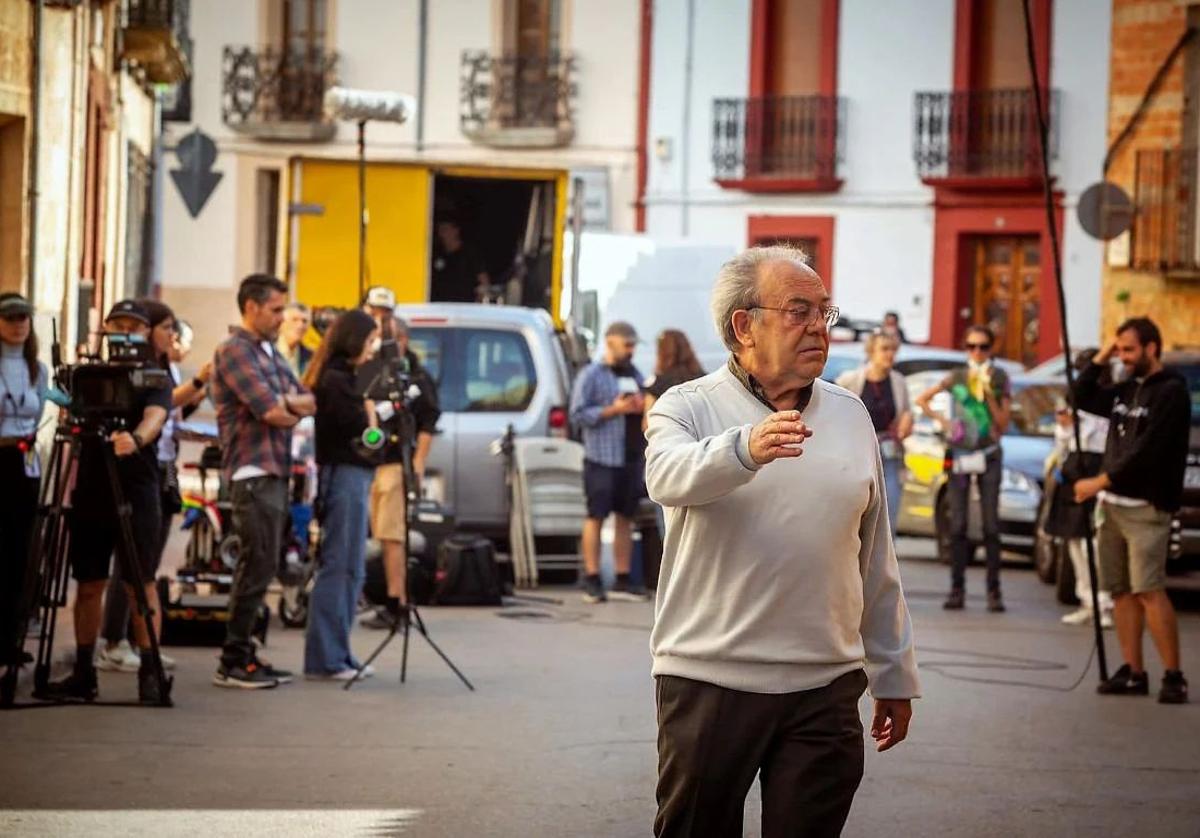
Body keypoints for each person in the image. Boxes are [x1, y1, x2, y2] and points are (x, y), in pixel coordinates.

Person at [645, 246, 919, 836]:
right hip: (710, 680)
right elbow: (665, 476)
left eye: (825, 312)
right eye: (799, 311)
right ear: (744, 326)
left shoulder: (850, 414)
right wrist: (745, 448)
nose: (819, 326)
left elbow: (873, 554)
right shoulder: (687, 406)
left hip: (825, 686)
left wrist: (893, 673)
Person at [44, 300, 172, 705]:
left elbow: (156, 415)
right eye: (117, 324)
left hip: (137, 485)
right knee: (89, 580)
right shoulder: (88, 372)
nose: (124, 332)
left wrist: (135, 438)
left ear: (145, 332)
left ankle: (150, 671)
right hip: (94, 484)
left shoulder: (153, 373)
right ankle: (84, 671)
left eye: (134, 325)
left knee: (141, 581)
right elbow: (71, 414)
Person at [1072, 317, 1190, 704]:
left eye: (1128, 349)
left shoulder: (1171, 391)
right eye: (1119, 349)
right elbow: (1081, 395)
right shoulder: (1125, 389)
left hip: (1146, 508)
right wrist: (1103, 354)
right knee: (1121, 591)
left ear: (1151, 349)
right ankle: (1133, 670)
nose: (1122, 357)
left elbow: (1146, 451)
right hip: (1114, 509)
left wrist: (1098, 482)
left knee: (1148, 589)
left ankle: (1173, 674)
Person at [211, 274, 315, 689]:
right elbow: (271, 411)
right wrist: (284, 406)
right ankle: (232, 660)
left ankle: (249, 653)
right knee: (255, 566)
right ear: (251, 307)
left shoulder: (269, 352)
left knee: (266, 563)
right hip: (252, 471)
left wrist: (286, 404)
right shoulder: (234, 351)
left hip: (275, 469)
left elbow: (305, 399)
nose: (281, 317)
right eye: (275, 310)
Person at [96, 303, 208, 674]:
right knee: (129, 558)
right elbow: (160, 406)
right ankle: (116, 639)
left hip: (161, 466)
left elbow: (170, 412)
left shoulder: (163, 368)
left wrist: (196, 393)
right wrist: (197, 384)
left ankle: (143, 644)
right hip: (138, 464)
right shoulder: (139, 369)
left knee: (147, 556)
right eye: (166, 328)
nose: (171, 336)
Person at [302, 310, 381, 680]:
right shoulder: (336, 380)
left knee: (353, 567)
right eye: (369, 341)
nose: (373, 349)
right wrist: (374, 413)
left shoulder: (346, 378)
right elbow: (365, 432)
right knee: (339, 564)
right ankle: (326, 657)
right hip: (343, 474)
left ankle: (341, 652)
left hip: (355, 475)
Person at [358, 289, 441, 627]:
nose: (381, 324)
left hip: (393, 463)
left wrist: (418, 463)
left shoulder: (416, 376)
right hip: (364, 464)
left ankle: (398, 602)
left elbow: (427, 422)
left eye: (386, 317)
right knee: (371, 535)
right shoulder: (366, 367)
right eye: (374, 315)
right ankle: (364, 595)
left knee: (393, 536)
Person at [915, 325, 1012, 612]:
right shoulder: (957, 376)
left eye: (982, 347)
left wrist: (988, 393)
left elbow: (1003, 423)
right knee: (957, 523)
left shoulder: (999, 377)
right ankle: (957, 589)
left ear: (990, 349)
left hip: (989, 453)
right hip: (959, 454)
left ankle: (994, 592)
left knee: (990, 524)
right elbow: (922, 399)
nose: (977, 352)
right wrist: (945, 423)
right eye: (971, 346)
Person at [569, 321, 650, 604]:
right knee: (596, 515)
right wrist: (613, 409)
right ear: (611, 342)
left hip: (630, 456)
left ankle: (623, 578)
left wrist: (641, 406)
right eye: (627, 345)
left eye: (633, 345)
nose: (631, 350)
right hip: (601, 457)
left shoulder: (636, 374)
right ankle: (592, 577)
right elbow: (577, 415)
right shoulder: (591, 374)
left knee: (626, 517)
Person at [0, 293, 48, 666]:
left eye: (24, 318)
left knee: (20, 549)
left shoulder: (37, 369)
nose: (18, 324)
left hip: (23, 459)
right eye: (10, 318)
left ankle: (10, 638)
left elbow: (39, 413)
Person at [835, 332, 914, 534]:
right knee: (858, 513)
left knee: (889, 513)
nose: (890, 355)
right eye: (884, 349)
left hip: (889, 454)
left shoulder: (898, 382)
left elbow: (906, 411)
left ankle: (884, 563)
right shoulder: (850, 380)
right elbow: (836, 413)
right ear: (871, 352)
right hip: (858, 454)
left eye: (893, 350)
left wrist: (907, 419)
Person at [431, 217, 489, 304]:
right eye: (440, 230)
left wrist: (480, 302)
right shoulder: (437, 254)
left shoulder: (469, 253)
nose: (442, 234)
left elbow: (484, 281)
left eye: (445, 229)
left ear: (456, 230)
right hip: (440, 305)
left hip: (465, 305)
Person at [277, 302, 313, 378]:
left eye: (304, 321)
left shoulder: (311, 357)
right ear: (281, 323)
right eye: (294, 320)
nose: (300, 326)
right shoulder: (266, 352)